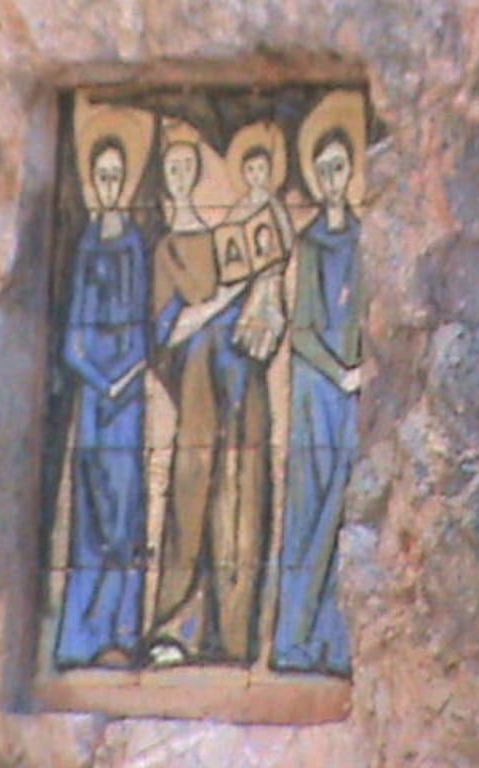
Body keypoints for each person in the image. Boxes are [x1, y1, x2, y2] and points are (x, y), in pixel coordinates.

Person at [147, 130, 277, 666]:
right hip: (197, 391)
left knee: (240, 495)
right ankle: (176, 627)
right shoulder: (167, 249)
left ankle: (233, 635)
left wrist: (261, 297)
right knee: (192, 491)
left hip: (240, 384)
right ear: (163, 181)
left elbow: (263, 304)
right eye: (172, 169)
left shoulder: (226, 236)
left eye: (188, 167)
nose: (182, 177)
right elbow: (164, 331)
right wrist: (219, 303)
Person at [54, 134, 151, 669]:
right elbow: (73, 339)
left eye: (118, 177)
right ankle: (82, 637)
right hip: (96, 400)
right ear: (94, 185)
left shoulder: (136, 244)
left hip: (129, 402)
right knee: (91, 515)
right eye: (103, 178)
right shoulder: (88, 246)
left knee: (125, 513)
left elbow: (144, 329)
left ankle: (124, 632)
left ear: (128, 183)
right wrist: (100, 379)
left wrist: (127, 375)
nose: (111, 187)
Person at [272, 121, 364, 677]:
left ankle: (337, 642)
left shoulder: (366, 239)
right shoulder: (309, 243)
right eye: (322, 170)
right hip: (316, 389)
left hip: (354, 387)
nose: (331, 180)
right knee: (309, 512)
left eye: (339, 168)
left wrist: (361, 369)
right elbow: (302, 329)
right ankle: (296, 641)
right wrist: (340, 374)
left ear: (352, 172)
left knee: (346, 508)